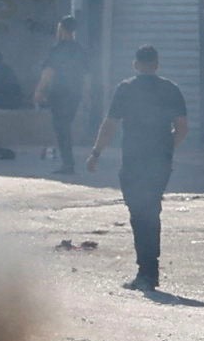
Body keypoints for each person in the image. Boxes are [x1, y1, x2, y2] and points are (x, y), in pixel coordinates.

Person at [86, 45, 188, 291]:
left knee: (139, 214)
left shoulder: (126, 89)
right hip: (160, 162)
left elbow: (109, 125)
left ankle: (147, 272)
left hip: (133, 160)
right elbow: (183, 129)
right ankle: (149, 271)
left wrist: (95, 153)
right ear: (157, 64)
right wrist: (166, 149)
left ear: (135, 64)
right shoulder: (171, 89)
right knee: (151, 211)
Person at [32, 16, 91, 174]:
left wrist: (39, 91)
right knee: (65, 126)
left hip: (59, 93)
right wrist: (86, 97)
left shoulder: (57, 50)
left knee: (61, 128)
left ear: (62, 29)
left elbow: (48, 72)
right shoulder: (80, 50)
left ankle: (68, 163)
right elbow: (87, 77)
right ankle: (68, 162)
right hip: (75, 94)